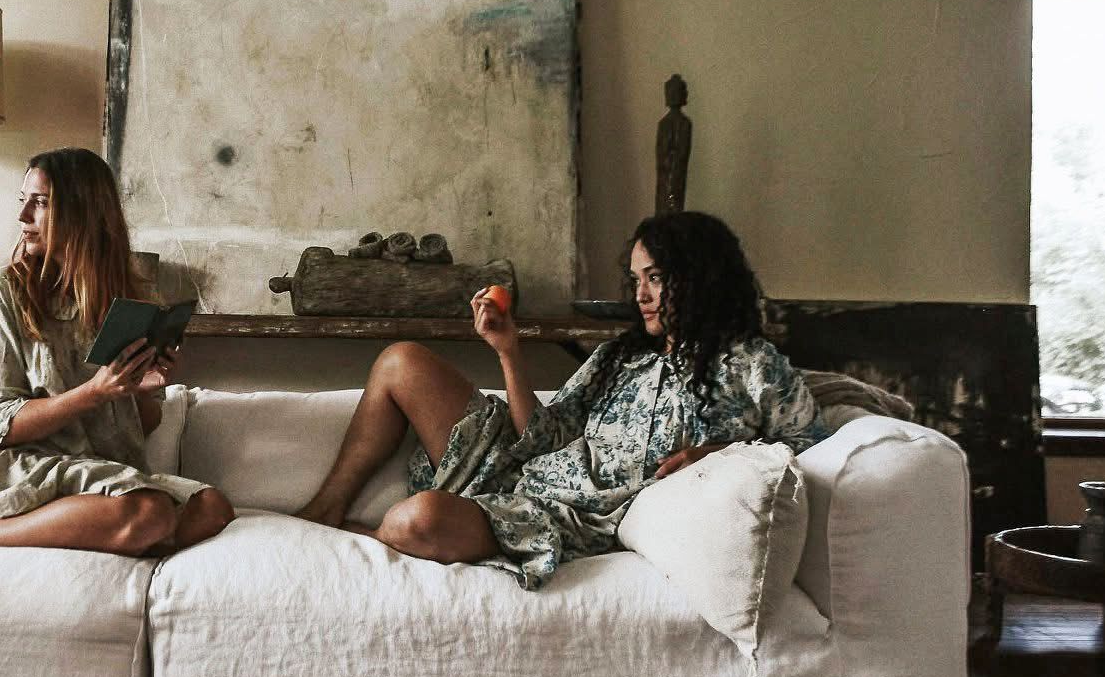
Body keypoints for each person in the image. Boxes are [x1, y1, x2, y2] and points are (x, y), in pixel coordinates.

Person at [294, 210, 828, 589]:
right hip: (524, 464)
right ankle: (325, 512)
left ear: (701, 280)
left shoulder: (753, 367)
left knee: (420, 518)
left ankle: (358, 538)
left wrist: (717, 455)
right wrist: (508, 350)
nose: (640, 294)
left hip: (574, 515)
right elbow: (546, 434)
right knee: (401, 360)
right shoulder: (622, 355)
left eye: (657, 279)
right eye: (636, 278)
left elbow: (812, 446)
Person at [0, 147, 235, 555]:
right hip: (16, 464)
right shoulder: (7, 291)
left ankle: (122, 531)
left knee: (213, 506)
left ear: (83, 213)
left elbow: (141, 425)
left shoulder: (133, 299)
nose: (23, 218)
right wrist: (95, 392)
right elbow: (0, 423)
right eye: (24, 201)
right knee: (152, 514)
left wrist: (140, 388)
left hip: (93, 468)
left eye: (40, 203)